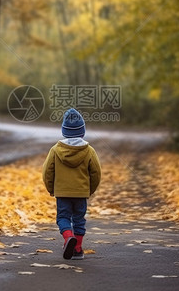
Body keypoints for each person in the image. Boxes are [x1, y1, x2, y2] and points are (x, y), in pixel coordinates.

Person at [42, 108, 102, 260]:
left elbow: (47, 172)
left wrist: (52, 189)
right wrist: (89, 190)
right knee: (79, 220)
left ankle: (68, 237)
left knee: (63, 218)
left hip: (62, 193)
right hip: (81, 193)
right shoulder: (89, 151)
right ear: (82, 132)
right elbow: (96, 173)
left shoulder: (55, 150)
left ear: (64, 131)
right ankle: (77, 249)